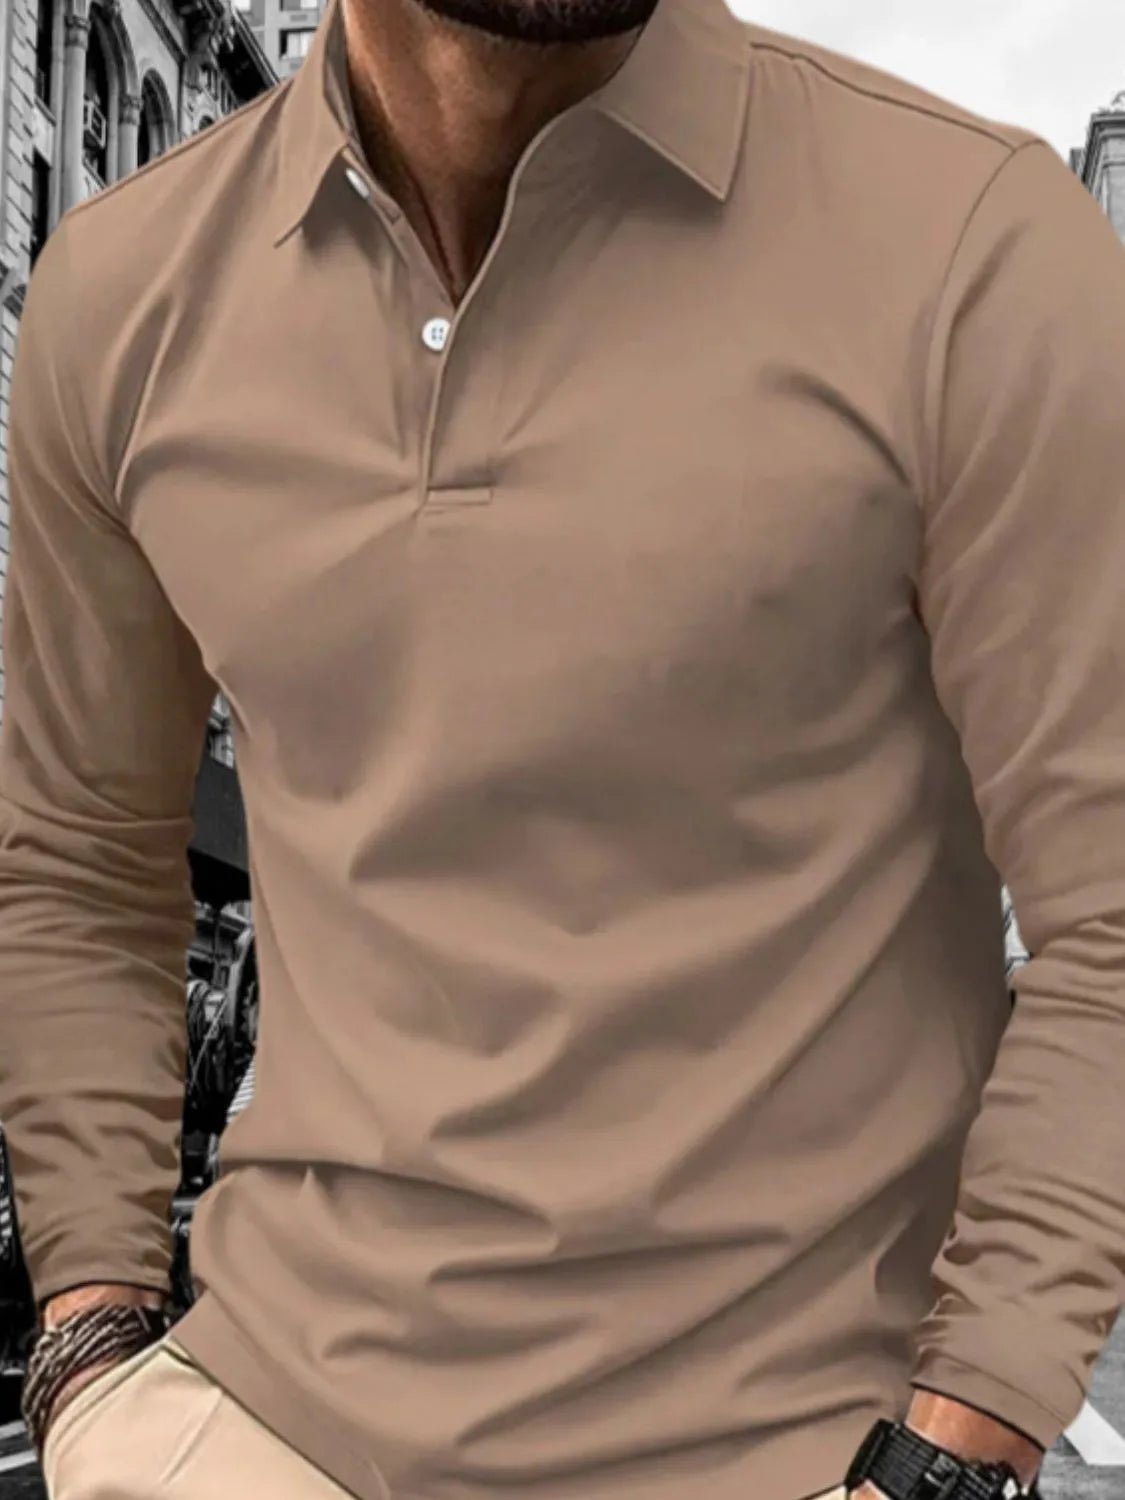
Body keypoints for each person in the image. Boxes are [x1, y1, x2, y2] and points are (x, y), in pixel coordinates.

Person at [0, 0, 1123, 1494]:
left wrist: (959, 1447)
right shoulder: (122, 293)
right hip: (256, 1425)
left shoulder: (974, 244)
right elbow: (80, 862)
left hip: (793, 1456)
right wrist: (90, 1346)